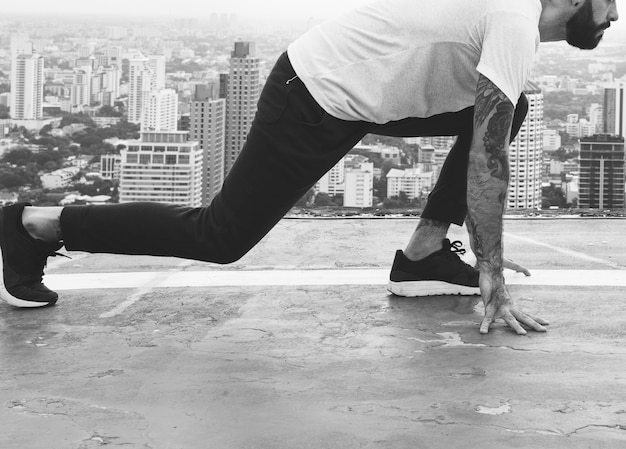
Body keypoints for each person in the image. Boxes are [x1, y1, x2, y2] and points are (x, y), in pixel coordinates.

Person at [0, 0, 618, 335]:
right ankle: (36, 225)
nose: (615, 16)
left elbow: (489, 130)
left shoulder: (511, 16)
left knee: (512, 108)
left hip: (359, 92)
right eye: (612, 2)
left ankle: (424, 255)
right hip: (313, 95)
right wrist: (490, 269)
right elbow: (488, 159)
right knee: (219, 237)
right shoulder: (514, 19)